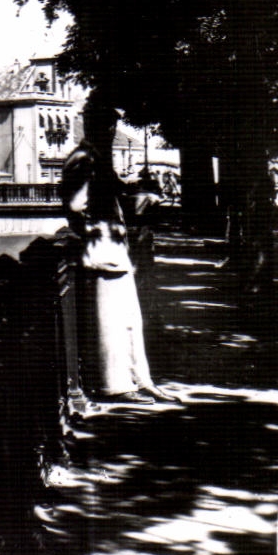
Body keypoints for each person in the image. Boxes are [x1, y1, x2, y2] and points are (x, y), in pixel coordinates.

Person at [60, 144, 178, 404]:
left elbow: (109, 199)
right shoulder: (83, 158)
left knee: (129, 323)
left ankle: (141, 381)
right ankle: (115, 387)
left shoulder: (94, 157)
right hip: (102, 255)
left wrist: (139, 200)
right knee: (111, 327)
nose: (111, 131)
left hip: (114, 254)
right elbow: (76, 204)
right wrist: (92, 230)